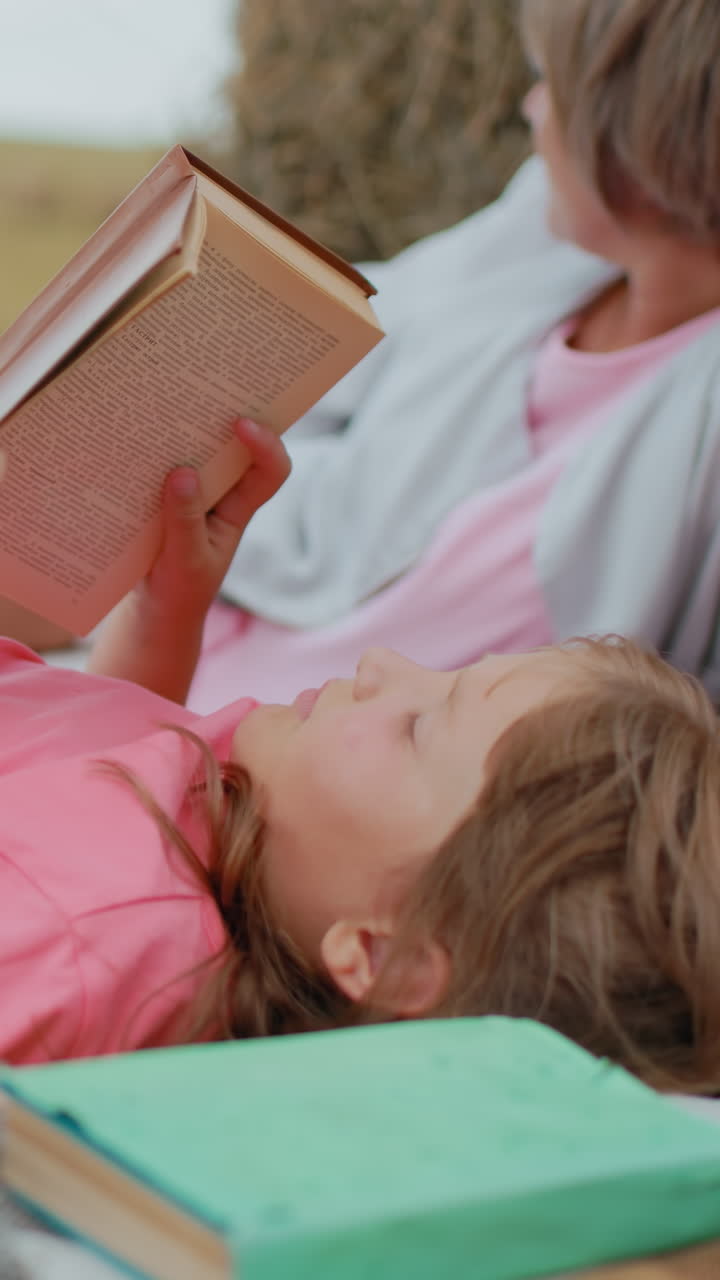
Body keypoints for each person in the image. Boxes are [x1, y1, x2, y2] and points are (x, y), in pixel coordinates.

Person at [3, 417, 720, 1097]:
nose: (381, 666)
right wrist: (164, 615)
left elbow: (67, 859)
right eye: (448, 675)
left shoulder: (78, 934)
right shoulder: (238, 819)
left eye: (418, 727)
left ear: (382, 955)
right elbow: (70, 783)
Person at [182, 0, 720, 711]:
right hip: (203, 630)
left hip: (275, 756)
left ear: (638, 148)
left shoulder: (693, 425)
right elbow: (361, 316)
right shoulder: (539, 248)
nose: (531, 109)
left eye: (551, 85)